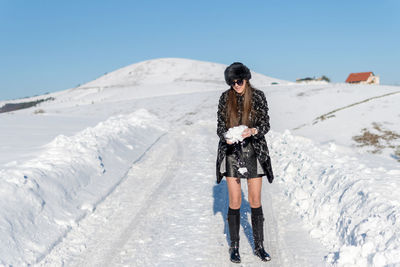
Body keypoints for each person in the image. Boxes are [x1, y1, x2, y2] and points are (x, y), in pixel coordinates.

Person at [216, 62, 274, 263]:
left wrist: (253, 131)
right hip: (232, 152)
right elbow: (219, 127)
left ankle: (259, 246)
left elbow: (265, 123)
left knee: (255, 200)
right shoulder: (225, 98)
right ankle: (234, 247)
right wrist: (226, 137)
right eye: (232, 82)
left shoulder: (258, 96)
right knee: (235, 201)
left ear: (246, 79)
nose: (236, 85)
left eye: (239, 81)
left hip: (253, 151)